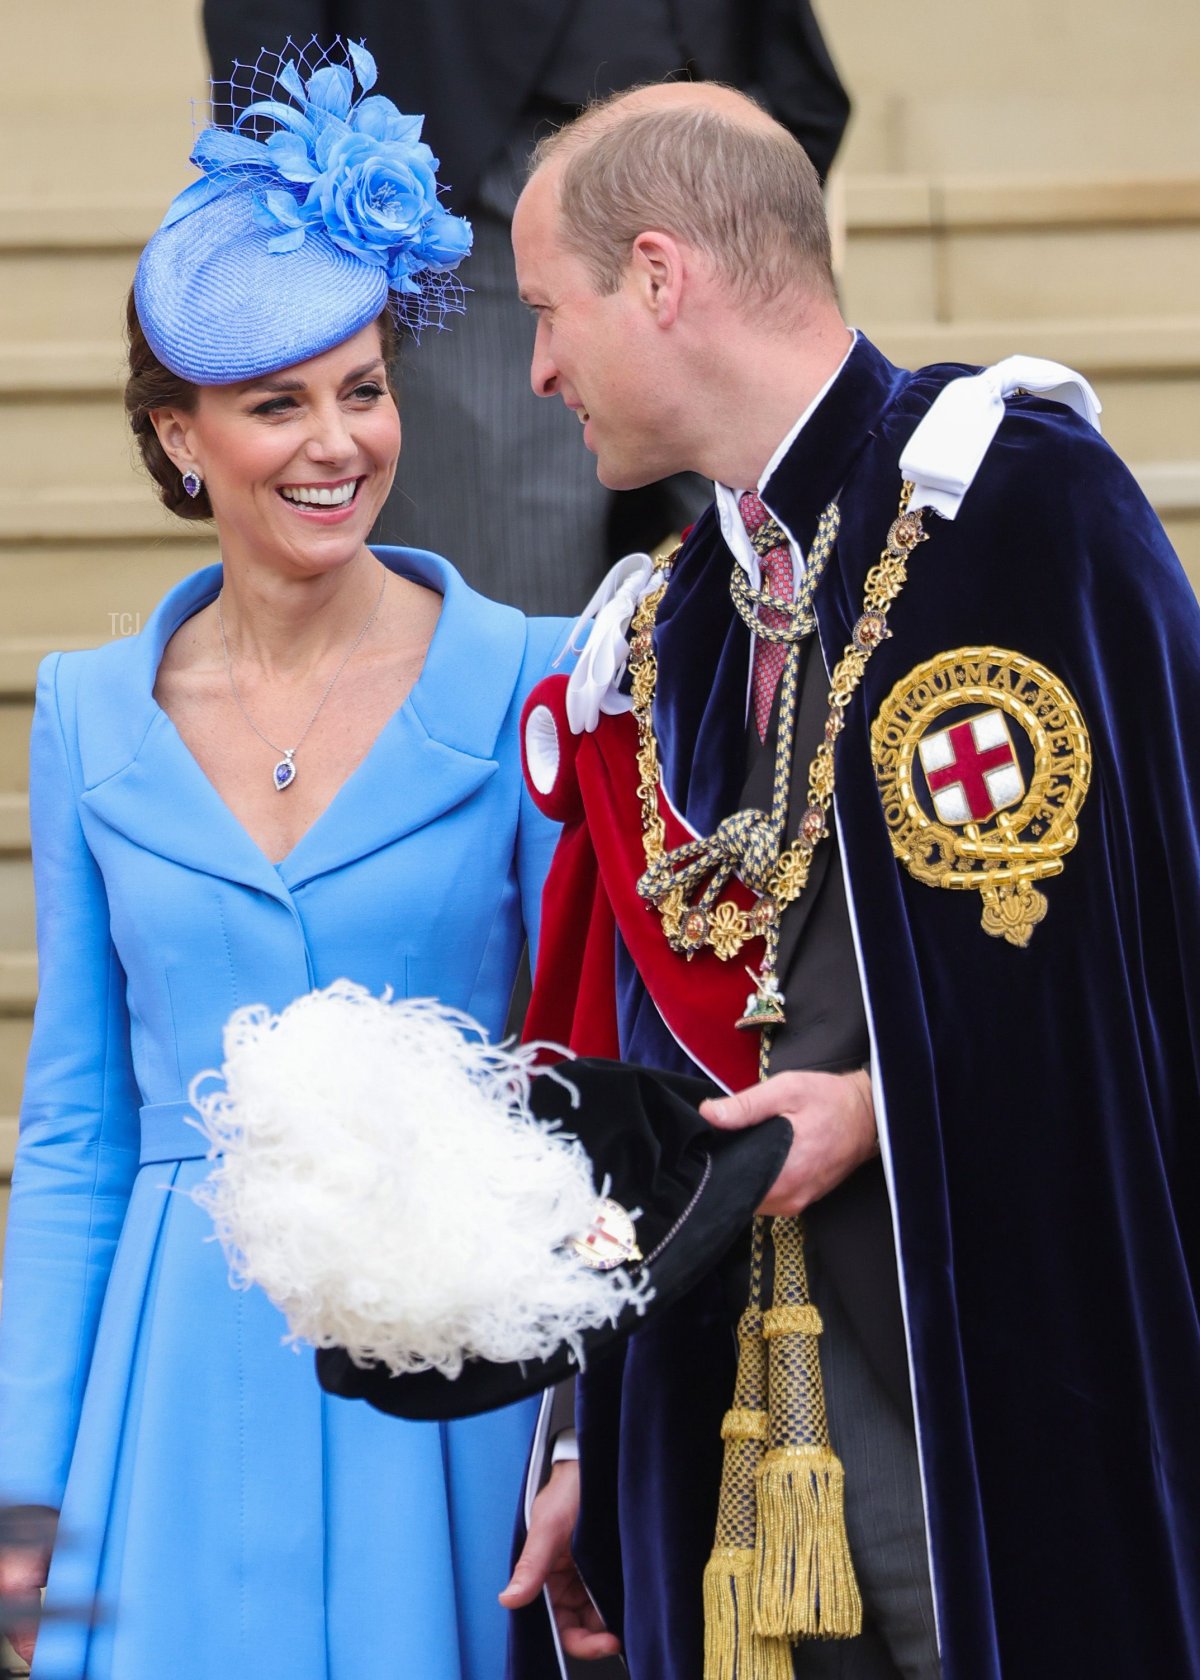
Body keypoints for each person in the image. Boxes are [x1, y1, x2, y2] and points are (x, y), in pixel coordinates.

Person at [501, 83, 1200, 1680]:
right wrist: (579, 1436)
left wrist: (881, 1104)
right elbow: (622, 1030)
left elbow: (1154, 953)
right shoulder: (670, 622)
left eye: (551, 310)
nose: (535, 366)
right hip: (734, 1428)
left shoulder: (1022, 508)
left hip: (1003, 1369)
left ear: (660, 278)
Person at [0, 41, 569, 1680]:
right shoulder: (87, 715)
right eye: (275, 405)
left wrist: (583, 1436)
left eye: (364, 386)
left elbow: (579, 1083)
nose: (338, 443)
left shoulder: (526, 675)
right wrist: (32, 1496)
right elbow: (74, 1127)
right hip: (173, 1394)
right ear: (180, 441)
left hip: (454, 1384)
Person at [202, 1, 851, 613]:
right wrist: (301, 195)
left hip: (726, 140)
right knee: (516, 615)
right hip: (468, 174)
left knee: (829, 565)